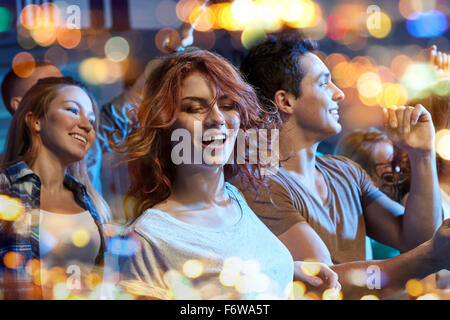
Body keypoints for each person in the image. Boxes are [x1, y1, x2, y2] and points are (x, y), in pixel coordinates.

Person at [237, 34, 449, 299]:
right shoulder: (258, 184)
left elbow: (418, 237)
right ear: (285, 101)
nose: (339, 93)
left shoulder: (344, 171)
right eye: (324, 83)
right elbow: (326, 283)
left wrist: (422, 153)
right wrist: (428, 258)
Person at [115, 50, 339, 300]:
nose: (217, 119)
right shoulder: (150, 238)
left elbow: (231, 270)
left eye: (227, 105)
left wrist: (287, 271)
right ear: (165, 125)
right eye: (194, 108)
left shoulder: (236, 199)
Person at [0, 77, 110, 299]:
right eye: (72, 110)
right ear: (36, 121)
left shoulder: (91, 201)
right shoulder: (5, 191)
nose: (88, 126)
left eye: (91, 119)